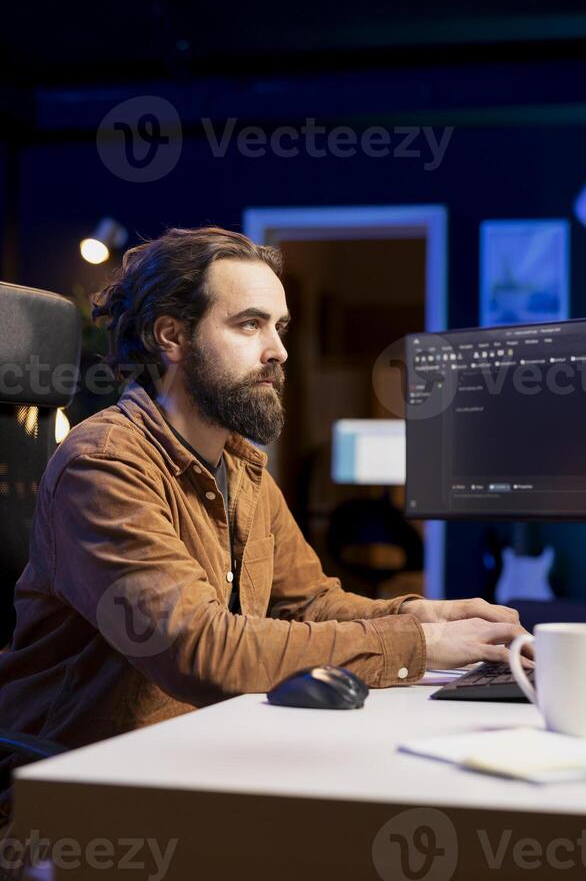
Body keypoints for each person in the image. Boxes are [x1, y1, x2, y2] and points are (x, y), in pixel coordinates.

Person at [0, 226, 526, 837]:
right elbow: (200, 650)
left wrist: (426, 616)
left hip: (201, 756)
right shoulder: (106, 466)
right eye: (250, 324)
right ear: (172, 336)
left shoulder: (242, 467)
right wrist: (419, 648)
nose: (277, 349)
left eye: (280, 326)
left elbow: (311, 602)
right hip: (83, 792)